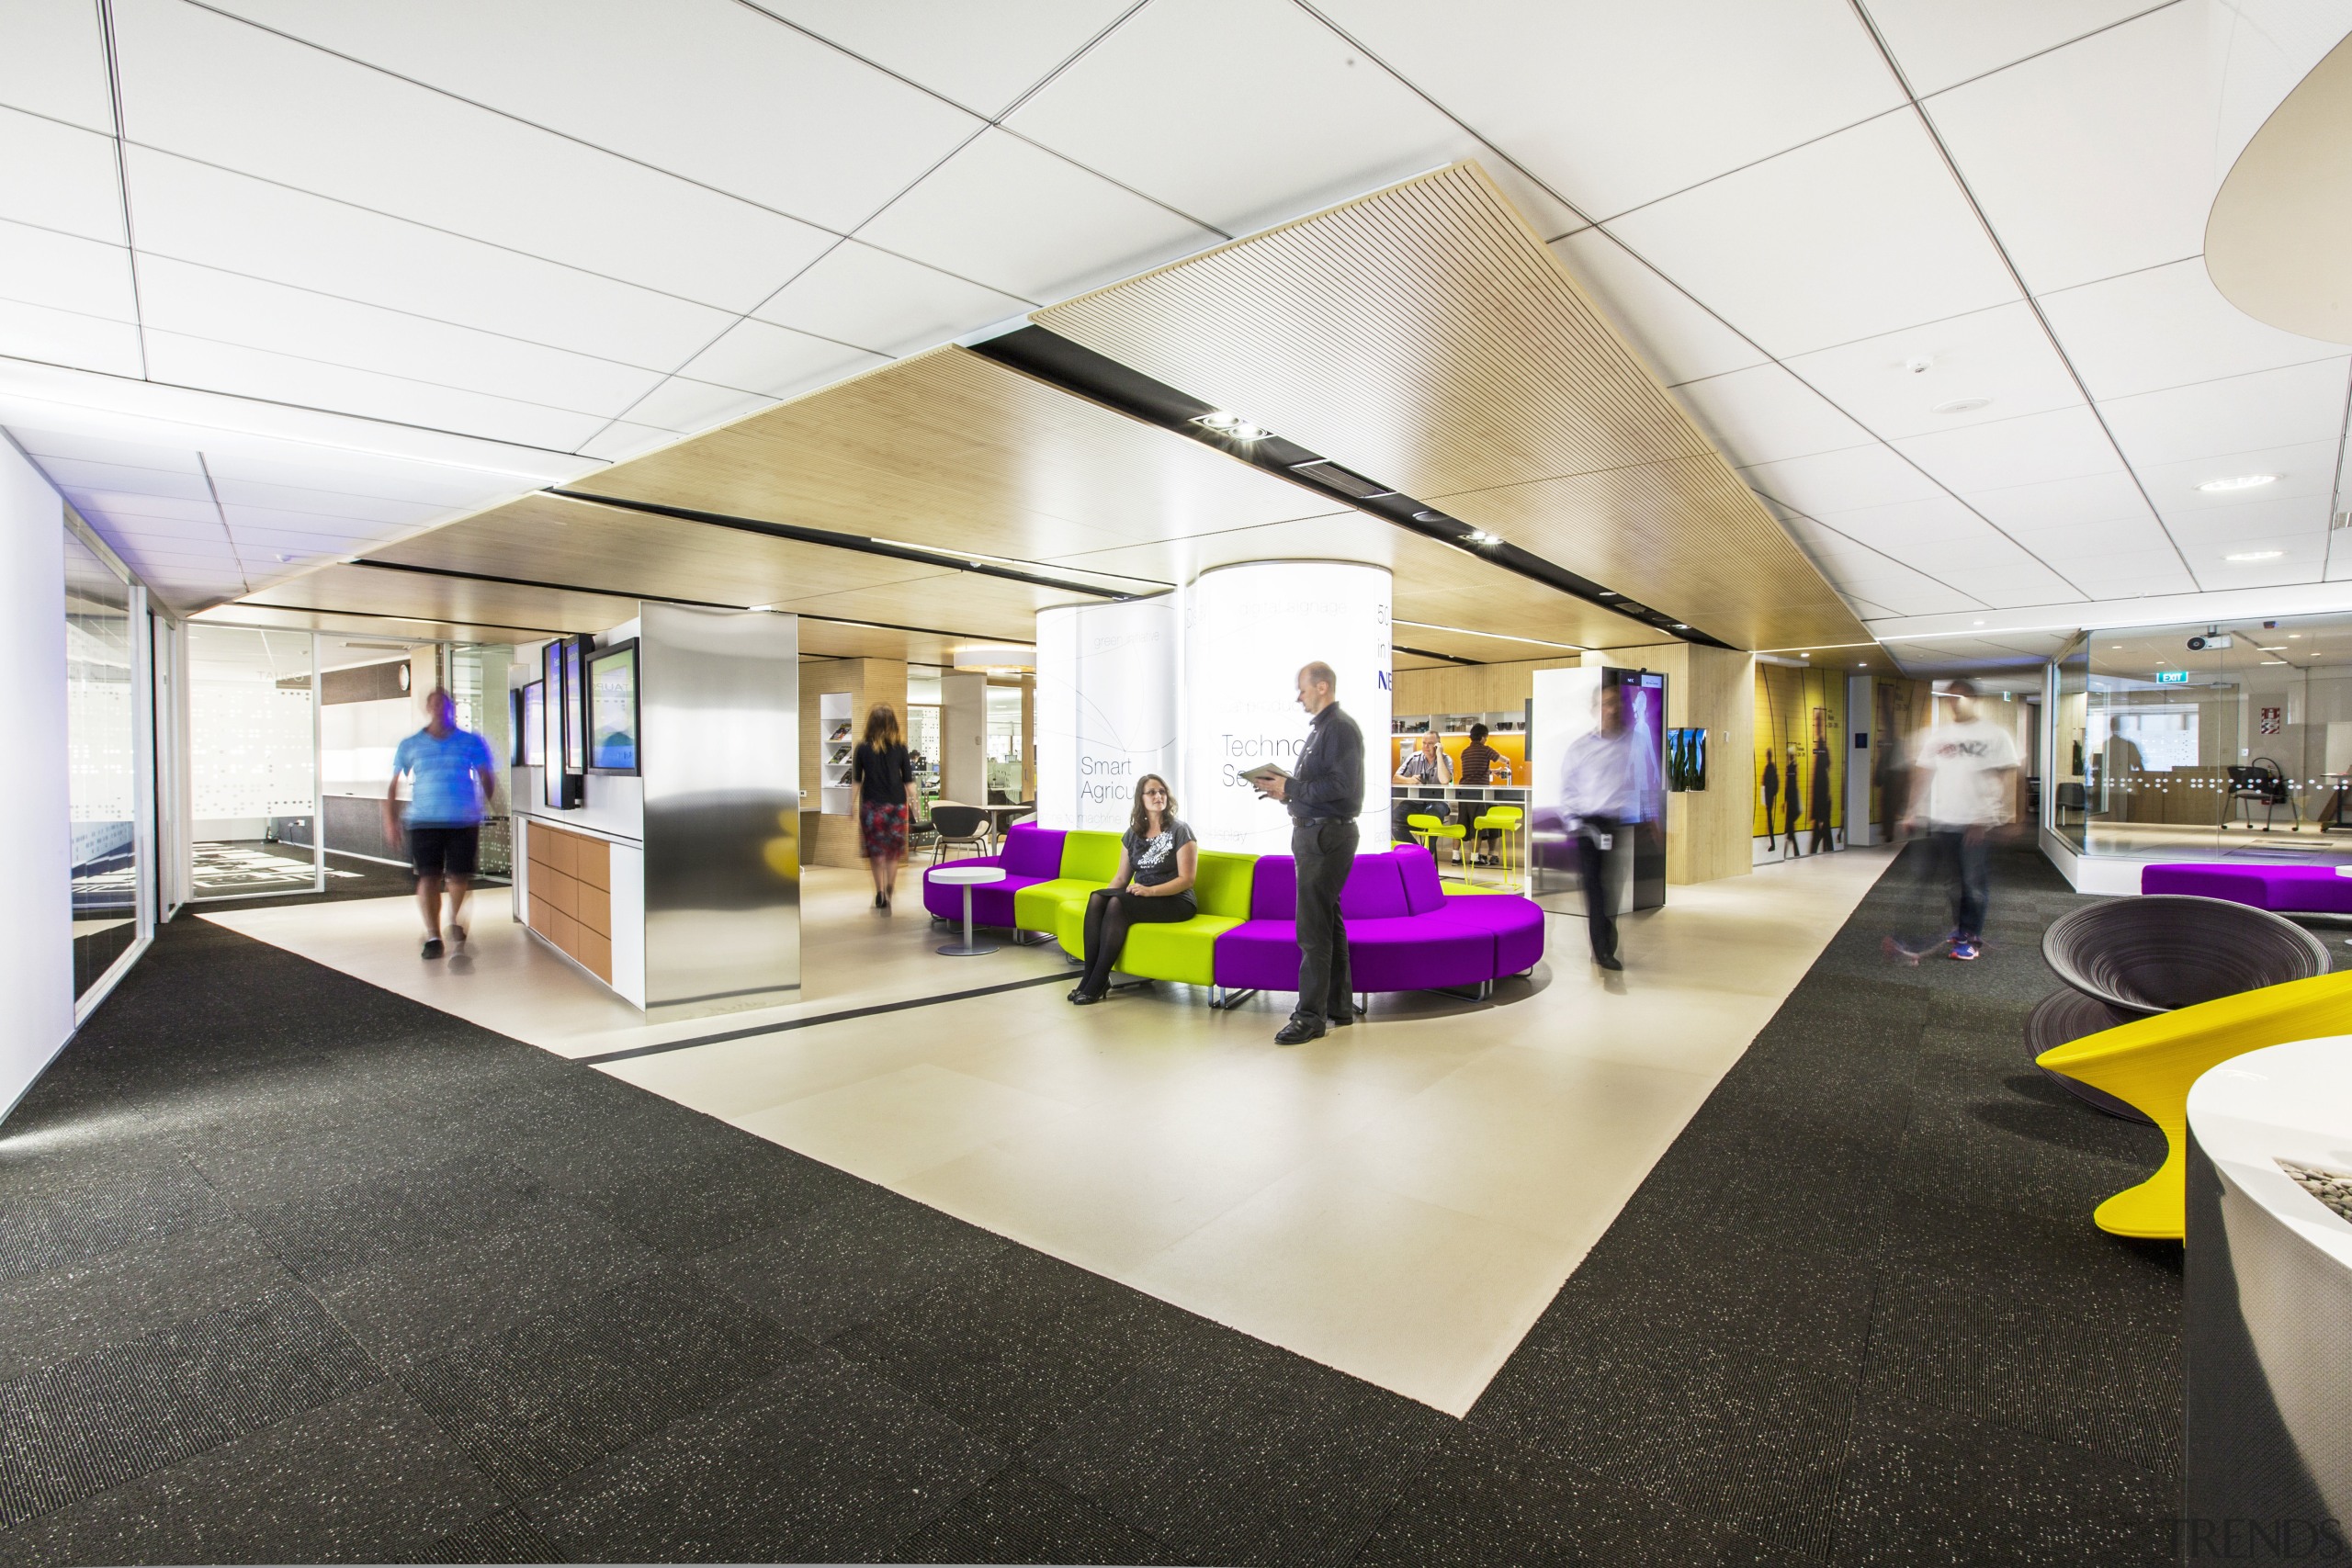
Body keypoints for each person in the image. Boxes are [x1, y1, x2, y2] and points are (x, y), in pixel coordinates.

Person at [1250, 661, 1364, 1045]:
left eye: (1301, 689)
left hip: (1326, 837)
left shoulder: (1339, 728)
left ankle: (1309, 1017)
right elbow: (1319, 785)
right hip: (1316, 834)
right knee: (1327, 923)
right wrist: (1287, 791)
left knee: (1312, 930)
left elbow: (1341, 786)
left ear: (1321, 687)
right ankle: (1337, 1006)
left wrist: (1292, 787)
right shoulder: (1324, 730)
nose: (1298, 697)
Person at [1902, 680, 2019, 962]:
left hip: (1977, 824)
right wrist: (1911, 810)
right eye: (1950, 698)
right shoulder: (1938, 736)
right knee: (1953, 883)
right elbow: (1922, 773)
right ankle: (1961, 928)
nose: (1955, 703)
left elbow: (2007, 776)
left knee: (1973, 882)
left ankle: (1971, 938)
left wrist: (2001, 815)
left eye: (1960, 697)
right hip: (1945, 820)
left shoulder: (1994, 735)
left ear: (1973, 699)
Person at [382, 686, 499, 961]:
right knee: (428, 877)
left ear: (452, 709)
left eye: (444, 705)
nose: (439, 709)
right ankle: (433, 936)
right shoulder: (410, 744)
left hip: (463, 819)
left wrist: (490, 806)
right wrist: (391, 820)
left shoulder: (471, 742)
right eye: (434, 705)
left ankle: (453, 919)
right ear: (427, 708)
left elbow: (487, 776)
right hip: (423, 820)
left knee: (459, 877)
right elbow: (393, 786)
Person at [1069, 774, 1197, 1004]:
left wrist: (1151, 891)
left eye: (1162, 791)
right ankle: (1088, 978)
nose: (1159, 796)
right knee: (1098, 898)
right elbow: (1121, 878)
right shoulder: (1133, 834)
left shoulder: (1180, 830)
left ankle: (1097, 981)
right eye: (1152, 792)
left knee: (1119, 904)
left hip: (1176, 900)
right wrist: (1104, 897)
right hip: (1142, 897)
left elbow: (1187, 879)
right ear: (1141, 799)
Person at [1557, 682, 1653, 972]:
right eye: (1606, 704)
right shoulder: (1580, 748)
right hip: (1587, 827)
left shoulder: (1631, 743)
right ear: (1595, 709)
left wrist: (1650, 818)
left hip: (1616, 826)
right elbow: (1568, 789)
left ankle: (1604, 944)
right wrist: (1574, 823)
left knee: (1611, 891)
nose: (1612, 709)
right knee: (1596, 890)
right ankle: (1603, 951)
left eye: (1616, 703)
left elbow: (1644, 780)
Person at [852, 703, 912, 912]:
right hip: (896, 806)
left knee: (877, 853)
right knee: (892, 853)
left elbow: (856, 781)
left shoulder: (862, 748)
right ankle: (890, 888)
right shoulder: (901, 748)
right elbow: (909, 781)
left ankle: (879, 892)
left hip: (871, 807)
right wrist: (915, 803)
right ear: (893, 724)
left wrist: (851, 805)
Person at [1391, 732, 1453, 846]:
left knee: (1433, 819)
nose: (1426, 746)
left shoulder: (1446, 759)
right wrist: (1409, 780)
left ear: (1438, 745)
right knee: (1392, 820)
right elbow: (1395, 778)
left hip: (1438, 802)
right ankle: (1417, 852)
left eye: (1430, 744)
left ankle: (1427, 857)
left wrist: (1439, 755)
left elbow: (1445, 780)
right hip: (1415, 802)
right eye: (1424, 743)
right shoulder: (1414, 757)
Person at [1458, 723, 1505, 864]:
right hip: (1479, 793)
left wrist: (1491, 771)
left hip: (1464, 792)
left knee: (1462, 822)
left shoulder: (1465, 751)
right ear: (1484, 737)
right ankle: (1476, 857)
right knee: (1477, 825)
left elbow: (1475, 770)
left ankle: (1456, 856)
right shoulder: (1485, 750)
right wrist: (1507, 763)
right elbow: (1502, 759)